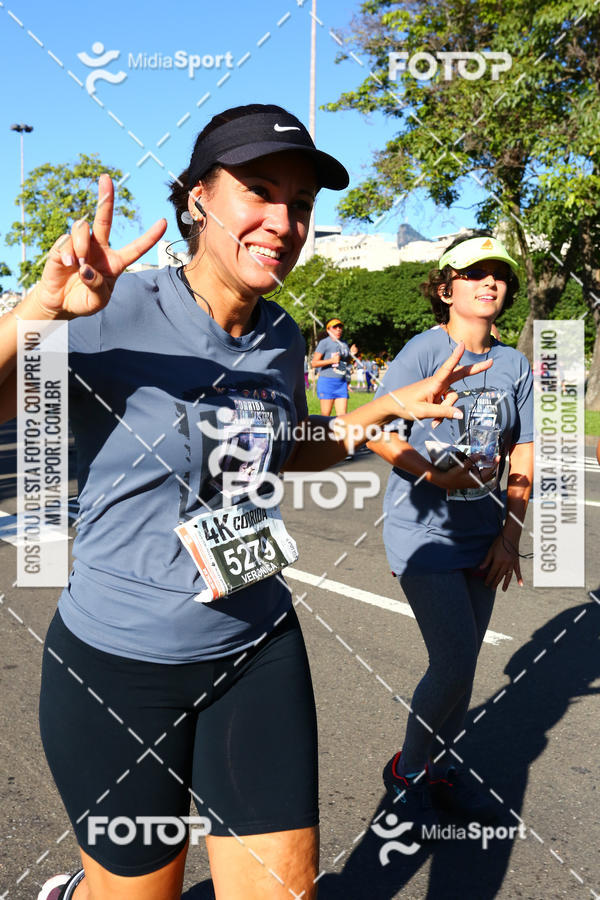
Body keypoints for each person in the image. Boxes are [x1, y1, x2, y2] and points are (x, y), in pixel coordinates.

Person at [0, 106, 494, 900]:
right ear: (198, 198)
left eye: (300, 203)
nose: (283, 221)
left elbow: (284, 448)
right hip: (121, 667)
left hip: (253, 643)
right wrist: (39, 313)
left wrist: (388, 406)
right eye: (258, 191)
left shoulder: (281, 336)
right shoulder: (112, 308)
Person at [369, 232, 534, 829]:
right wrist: (434, 478)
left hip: (484, 534)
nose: (491, 282)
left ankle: (436, 765)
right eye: (475, 273)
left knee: (461, 670)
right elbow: (376, 430)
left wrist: (510, 536)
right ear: (445, 288)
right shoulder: (420, 351)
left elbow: (525, 450)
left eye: (500, 275)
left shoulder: (516, 363)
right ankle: (408, 771)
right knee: (456, 657)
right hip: (424, 530)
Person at [311, 318, 352, 415]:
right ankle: (322, 430)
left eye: (340, 327)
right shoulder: (324, 343)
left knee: (342, 416)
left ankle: (338, 431)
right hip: (327, 382)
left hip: (341, 383)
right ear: (328, 330)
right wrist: (331, 361)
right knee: (325, 415)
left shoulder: (345, 344)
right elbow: (314, 363)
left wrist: (351, 355)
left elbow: (345, 362)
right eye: (335, 327)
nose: (338, 329)